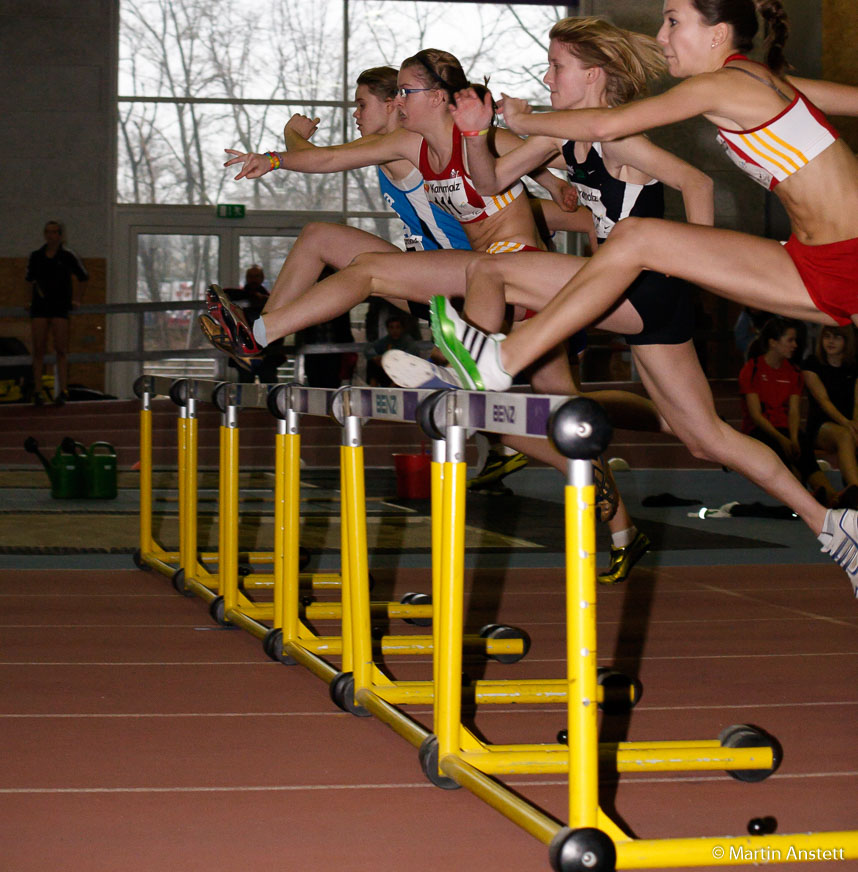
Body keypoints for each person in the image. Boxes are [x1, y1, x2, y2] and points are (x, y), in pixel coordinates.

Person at [425, 0, 858, 597]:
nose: (662, 37)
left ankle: (505, 358)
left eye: (673, 21)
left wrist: (525, 114)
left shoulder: (726, 85)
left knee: (635, 238)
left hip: (842, 259)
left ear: (716, 33)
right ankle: (833, 526)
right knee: (702, 436)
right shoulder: (748, 81)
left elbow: (604, 126)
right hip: (810, 258)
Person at [203, 50, 660, 571]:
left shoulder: (486, 140)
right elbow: (328, 159)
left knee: (555, 410)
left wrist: (576, 182)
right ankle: (258, 336)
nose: (397, 103)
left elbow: (570, 165)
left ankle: (621, 498)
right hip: (474, 278)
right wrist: (275, 159)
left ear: (438, 98)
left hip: (520, 281)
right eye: (393, 94)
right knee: (517, 412)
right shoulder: (409, 145)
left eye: (403, 93)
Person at [738, 317, 835, 505]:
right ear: (773, 342)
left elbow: (794, 412)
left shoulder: (793, 373)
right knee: (787, 462)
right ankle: (805, 497)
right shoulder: (752, 370)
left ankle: (833, 497)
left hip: (786, 429)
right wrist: (783, 439)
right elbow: (755, 416)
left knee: (806, 457)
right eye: (790, 340)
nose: (795, 345)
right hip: (760, 431)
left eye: (795, 340)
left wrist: (793, 437)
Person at [25, 220, 88, 406]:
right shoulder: (36, 256)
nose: (50, 235)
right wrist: (29, 301)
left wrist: (77, 299)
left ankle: (63, 390)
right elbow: (29, 280)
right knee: (38, 350)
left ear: (60, 235)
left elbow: (83, 278)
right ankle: (37, 391)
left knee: (61, 349)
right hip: (40, 306)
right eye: (47, 232)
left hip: (60, 306)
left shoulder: (68, 256)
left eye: (53, 232)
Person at [802, 324, 858, 505]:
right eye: (827, 336)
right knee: (845, 435)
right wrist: (847, 423)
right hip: (821, 426)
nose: (831, 341)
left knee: (850, 434)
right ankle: (855, 488)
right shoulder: (812, 364)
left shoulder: (854, 365)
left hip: (849, 423)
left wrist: (855, 423)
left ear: (846, 341)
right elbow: (823, 401)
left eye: (837, 337)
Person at [367, 313, 419, 386]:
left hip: (404, 374)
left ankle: (394, 386)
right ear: (387, 329)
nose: (394, 330)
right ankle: (372, 388)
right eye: (391, 328)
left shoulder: (407, 341)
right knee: (371, 363)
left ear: (402, 329)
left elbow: (412, 355)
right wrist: (376, 357)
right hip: (388, 372)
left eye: (397, 327)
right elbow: (369, 349)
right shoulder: (386, 340)